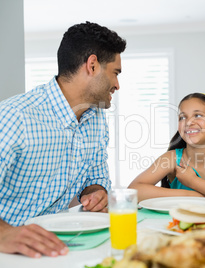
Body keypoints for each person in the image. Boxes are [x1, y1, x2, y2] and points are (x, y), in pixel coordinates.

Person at [0, 22, 126, 258]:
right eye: (115, 73)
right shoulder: (15, 117)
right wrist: (3, 233)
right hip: (9, 253)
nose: (117, 85)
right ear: (92, 65)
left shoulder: (96, 118)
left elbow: (96, 178)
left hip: (60, 246)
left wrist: (96, 193)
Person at [129, 93, 205, 205]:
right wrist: (191, 195)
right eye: (182, 117)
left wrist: (192, 181)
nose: (189, 122)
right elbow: (133, 192)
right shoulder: (171, 158)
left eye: (197, 115)